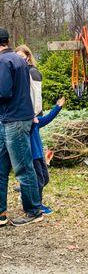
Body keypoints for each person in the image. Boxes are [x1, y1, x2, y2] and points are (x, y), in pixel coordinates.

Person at [0, 28, 42, 227]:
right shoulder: (19, 60)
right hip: (13, 118)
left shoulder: (3, 61)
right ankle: (1, 212)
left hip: (15, 121)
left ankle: (34, 210)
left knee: (23, 168)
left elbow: (4, 92)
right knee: (1, 166)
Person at [31, 97, 65, 215]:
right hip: (32, 157)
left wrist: (58, 107)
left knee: (45, 178)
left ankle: (28, 193)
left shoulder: (36, 122)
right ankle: (37, 205)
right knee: (39, 181)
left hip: (40, 155)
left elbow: (48, 118)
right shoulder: (24, 125)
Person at [16, 45, 43, 116]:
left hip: (33, 116)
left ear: (28, 57)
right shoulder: (22, 71)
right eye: (17, 57)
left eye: (21, 57)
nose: (19, 59)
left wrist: (34, 115)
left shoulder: (33, 72)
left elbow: (37, 96)